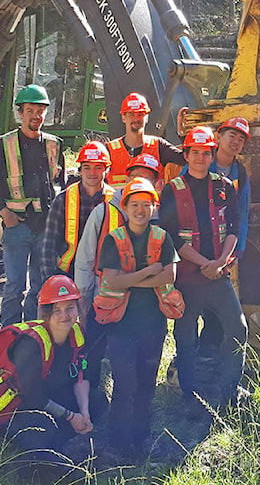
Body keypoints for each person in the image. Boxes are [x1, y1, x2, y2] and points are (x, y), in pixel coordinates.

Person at [160, 125, 247, 410]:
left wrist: (221, 261)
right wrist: (205, 263)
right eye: (194, 152)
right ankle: (190, 395)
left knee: (237, 327)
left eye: (205, 153)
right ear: (185, 154)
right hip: (187, 280)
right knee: (186, 338)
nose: (200, 158)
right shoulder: (172, 190)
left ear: (212, 155)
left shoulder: (225, 187)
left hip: (218, 277)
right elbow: (172, 237)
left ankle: (228, 390)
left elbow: (234, 226)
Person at [96, 177, 182, 458]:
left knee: (146, 383)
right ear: (125, 207)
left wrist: (129, 279)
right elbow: (112, 282)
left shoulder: (162, 237)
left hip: (153, 325)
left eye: (146, 204)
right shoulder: (114, 239)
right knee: (125, 383)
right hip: (121, 326)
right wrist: (147, 273)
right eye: (135, 204)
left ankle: (141, 436)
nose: (141, 210)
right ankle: (118, 440)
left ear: (153, 207)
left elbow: (169, 275)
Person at [74, 152, 162, 397]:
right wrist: (84, 297)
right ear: (126, 179)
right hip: (103, 301)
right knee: (91, 356)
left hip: (140, 306)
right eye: (135, 177)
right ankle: (89, 403)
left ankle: (132, 413)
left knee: (133, 364)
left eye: (147, 179)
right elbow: (85, 258)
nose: (139, 185)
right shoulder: (103, 213)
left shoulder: (159, 218)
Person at [0, 84, 67, 326]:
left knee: (40, 285)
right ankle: (8, 334)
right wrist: (4, 213)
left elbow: (60, 184)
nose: (36, 116)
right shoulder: (4, 145)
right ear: (20, 113)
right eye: (30, 110)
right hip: (17, 226)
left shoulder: (54, 145)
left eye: (40, 111)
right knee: (14, 285)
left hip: (45, 227)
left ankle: (33, 332)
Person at [0, 275, 93, 477]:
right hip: (21, 408)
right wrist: (70, 416)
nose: (64, 316)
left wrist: (84, 413)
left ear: (78, 308)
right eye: (56, 310)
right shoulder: (31, 344)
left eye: (70, 308)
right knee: (42, 435)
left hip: (54, 399)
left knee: (98, 402)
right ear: (45, 314)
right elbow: (32, 396)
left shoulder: (76, 332)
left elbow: (81, 376)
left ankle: (66, 443)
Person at [41, 141, 114, 280]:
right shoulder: (63, 200)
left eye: (98, 167)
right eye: (86, 167)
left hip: (105, 275)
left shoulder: (116, 201)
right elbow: (49, 244)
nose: (92, 173)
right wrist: (50, 280)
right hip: (68, 273)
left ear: (107, 170)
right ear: (80, 170)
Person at [105, 92, 183, 188]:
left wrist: (183, 135)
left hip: (151, 202)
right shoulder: (109, 150)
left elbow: (185, 159)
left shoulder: (158, 146)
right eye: (132, 114)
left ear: (147, 118)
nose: (136, 119)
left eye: (140, 114)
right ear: (123, 118)